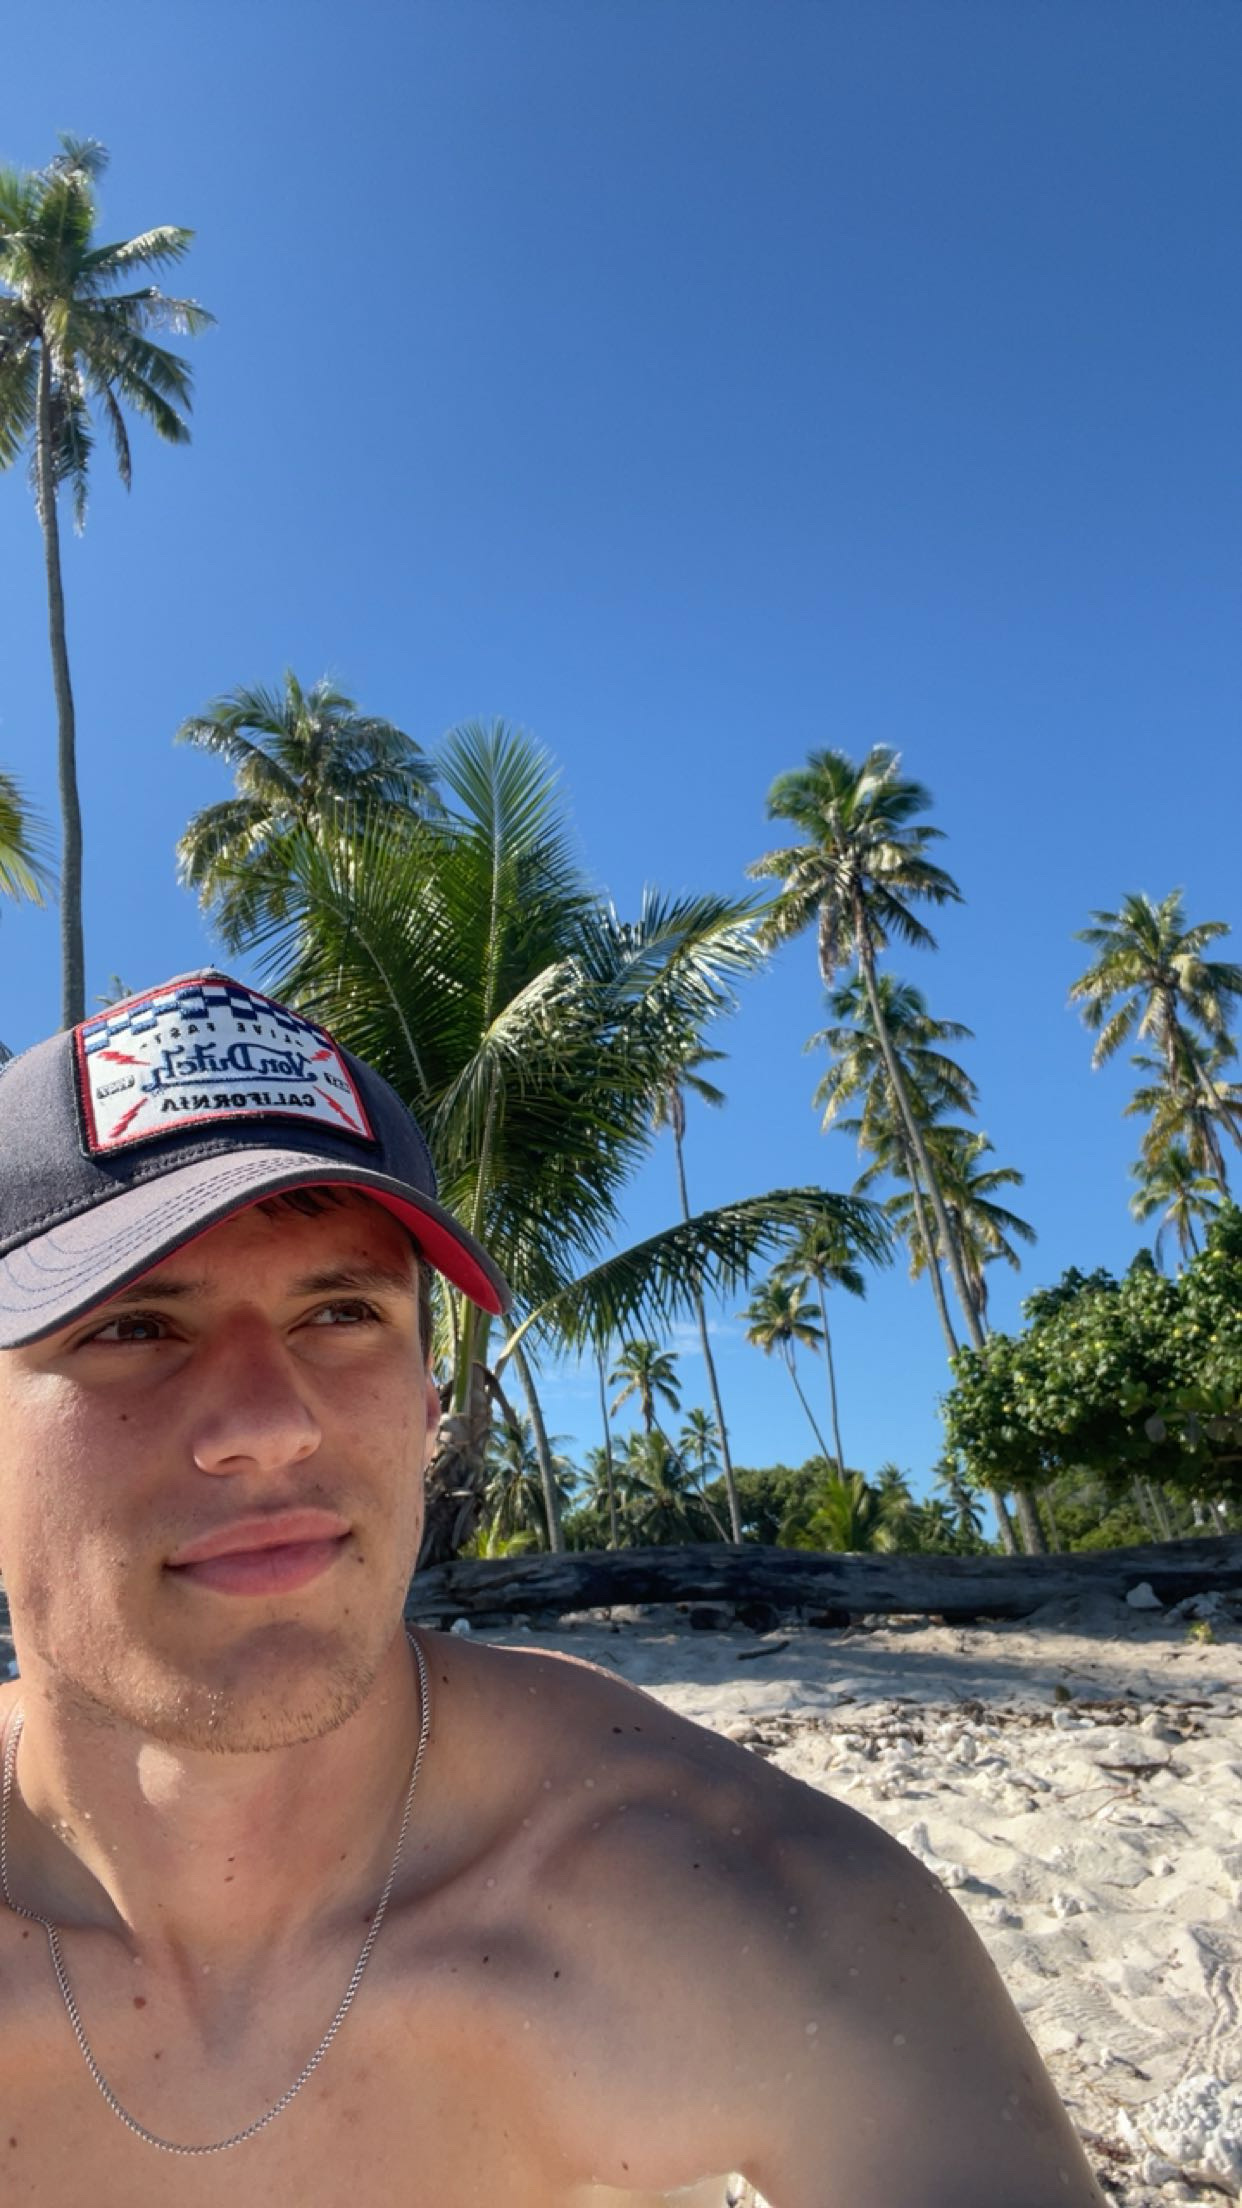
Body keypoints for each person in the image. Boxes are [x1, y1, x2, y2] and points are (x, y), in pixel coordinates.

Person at [0, 969, 1106, 2207]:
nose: (268, 1424)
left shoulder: (754, 1908)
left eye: (342, 1312)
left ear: (427, 1405)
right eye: (133, 1327)